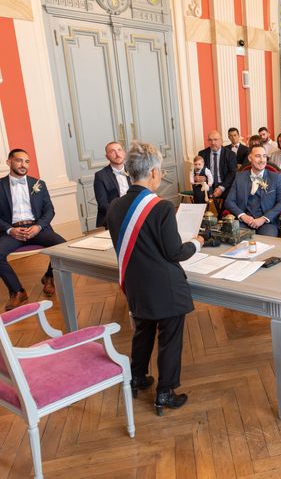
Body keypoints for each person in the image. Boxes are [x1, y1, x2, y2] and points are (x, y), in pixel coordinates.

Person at [106, 142, 204, 415]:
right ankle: (165, 392)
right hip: (165, 287)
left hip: (136, 285)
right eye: (159, 171)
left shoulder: (114, 206)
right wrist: (196, 242)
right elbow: (175, 252)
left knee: (143, 330)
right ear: (152, 173)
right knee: (169, 338)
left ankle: (137, 377)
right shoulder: (160, 208)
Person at [0, 149, 66, 310]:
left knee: (62, 246)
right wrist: (10, 230)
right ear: (9, 162)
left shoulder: (38, 184)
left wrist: (38, 227)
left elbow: (49, 210)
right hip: (12, 231)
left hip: (36, 228)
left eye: (27, 161)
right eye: (19, 160)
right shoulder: (0, 186)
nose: (23, 165)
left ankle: (49, 277)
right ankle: (17, 291)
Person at [224, 144, 281, 236]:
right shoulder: (240, 177)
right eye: (258, 156)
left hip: (267, 222)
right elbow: (229, 201)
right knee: (236, 240)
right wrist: (243, 216)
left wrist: (263, 219)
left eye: (264, 156)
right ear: (250, 158)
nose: (262, 160)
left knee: (267, 241)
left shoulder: (276, 177)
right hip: (244, 222)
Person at [94, 141, 131, 228]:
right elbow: (102, 203)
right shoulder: (100, 176)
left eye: (119, 150)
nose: (117, 154)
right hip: (114, 215)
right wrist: (123, 212)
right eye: (112, 151)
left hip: (135, 211)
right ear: (107, 156)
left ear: (124, 153)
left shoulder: (134, 170)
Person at [198, 130, 237, 202]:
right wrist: (197, 176)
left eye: (215, 140)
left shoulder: (230, 154)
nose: (213, 143)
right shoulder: (202, 154)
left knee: (230, 196)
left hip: (224, 183)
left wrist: (221, 188)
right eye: (210, 140)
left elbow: (232, 173)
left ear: (221, 141)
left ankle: (222, 213)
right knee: (199, 193)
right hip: (207, 183)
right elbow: (198, 170)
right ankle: (202, 213)